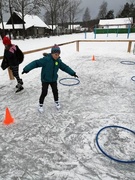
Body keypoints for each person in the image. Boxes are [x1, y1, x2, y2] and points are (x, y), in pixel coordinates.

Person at [22, 44, 78, 113]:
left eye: (58, 54)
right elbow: (36, 63)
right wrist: (26, 69)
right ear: (52, 53)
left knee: (55, 91)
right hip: (45, 79)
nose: (57, 56)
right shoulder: (46, 60)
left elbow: (65, 67)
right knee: (44, 92)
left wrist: (73, 73)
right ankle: (40, 104)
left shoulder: (58, 61)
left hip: (53, 79)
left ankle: (56, 102)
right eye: (55, 54)